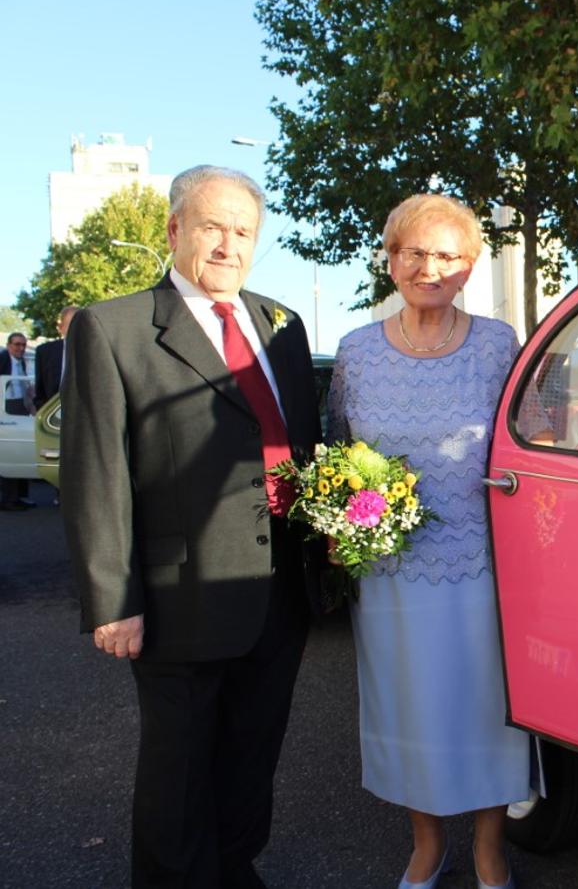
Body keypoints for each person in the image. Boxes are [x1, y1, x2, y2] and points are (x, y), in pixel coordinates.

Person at [61, 165, 323, 888]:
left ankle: (233, 869)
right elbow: (95, 474)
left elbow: (302, 446)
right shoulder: (111, 327)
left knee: (251, 755)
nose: (227, 244)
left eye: (242, 232)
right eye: (211, 226)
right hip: (179, 596)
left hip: (279, 589)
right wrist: (113, 598)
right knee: (178, 770)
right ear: (175, 230)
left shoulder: (284, 326)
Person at [327, 194, 537, 889]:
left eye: (448, 254)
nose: (430, 267)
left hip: (482, 562)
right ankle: (425, 843)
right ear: (389, 260)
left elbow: (531, 443)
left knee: (484, 709)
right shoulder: (356, 352)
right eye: (414, 252)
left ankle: (487, 849)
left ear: (470, 266)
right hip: (391, 568)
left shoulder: (498, 343)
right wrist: (340, 523)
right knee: (410, 705)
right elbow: (335, 451)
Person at [1, 332, 35, 510]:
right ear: (8, 345)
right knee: (11, 452)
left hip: (20, 406)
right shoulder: (2, 359)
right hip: (7, 407)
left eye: (23, 345)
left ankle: (21, 496)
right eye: (17, 345)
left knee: (22, 450)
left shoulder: (21, 362)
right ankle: (9, 499)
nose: (20, 348)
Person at [34, 304, 81, 410]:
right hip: (52, 413)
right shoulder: (44, 352)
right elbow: (40, 388)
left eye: (79, 325)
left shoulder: (93, 350)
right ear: (61, 328)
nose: (75, 330)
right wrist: (42, 410)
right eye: (70, 325)